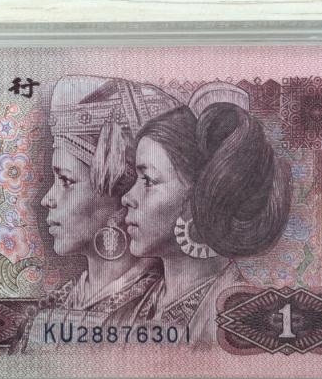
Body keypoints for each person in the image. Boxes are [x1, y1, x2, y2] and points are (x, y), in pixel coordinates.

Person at [121, 83, 292, 347]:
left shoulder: (244, 318)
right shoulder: (134, 304)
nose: (127, 198)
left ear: (199, 198)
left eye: (149, 180)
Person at [22, 75, 183, 349]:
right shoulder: (55, 307)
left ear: (122, 196)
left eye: (66, 181)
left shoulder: (161, 311)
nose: (47, 200)